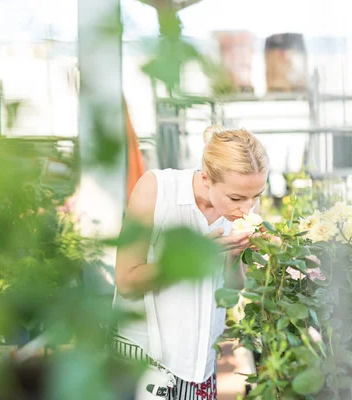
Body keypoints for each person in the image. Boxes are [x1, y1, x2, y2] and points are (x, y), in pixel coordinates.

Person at [111, 125, 269, 399]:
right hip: (143, 361)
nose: (248, 208)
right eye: (236, 197)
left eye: (257, 196)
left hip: (200, 368)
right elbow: (126, 282)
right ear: (207, 178)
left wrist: (233, 258)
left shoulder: (240, 210)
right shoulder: (156, 190)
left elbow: (230, 294)